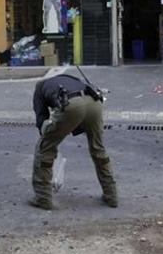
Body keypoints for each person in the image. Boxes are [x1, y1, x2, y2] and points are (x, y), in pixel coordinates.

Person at [31, 73, 117, 210]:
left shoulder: (40, 88)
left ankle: (43, 198)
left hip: (72, 105)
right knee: (98, 148)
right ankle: (111, 195)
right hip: (94, 102)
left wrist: (48, 138)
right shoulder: (70, 78)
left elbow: (41, 119)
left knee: (44, 149)